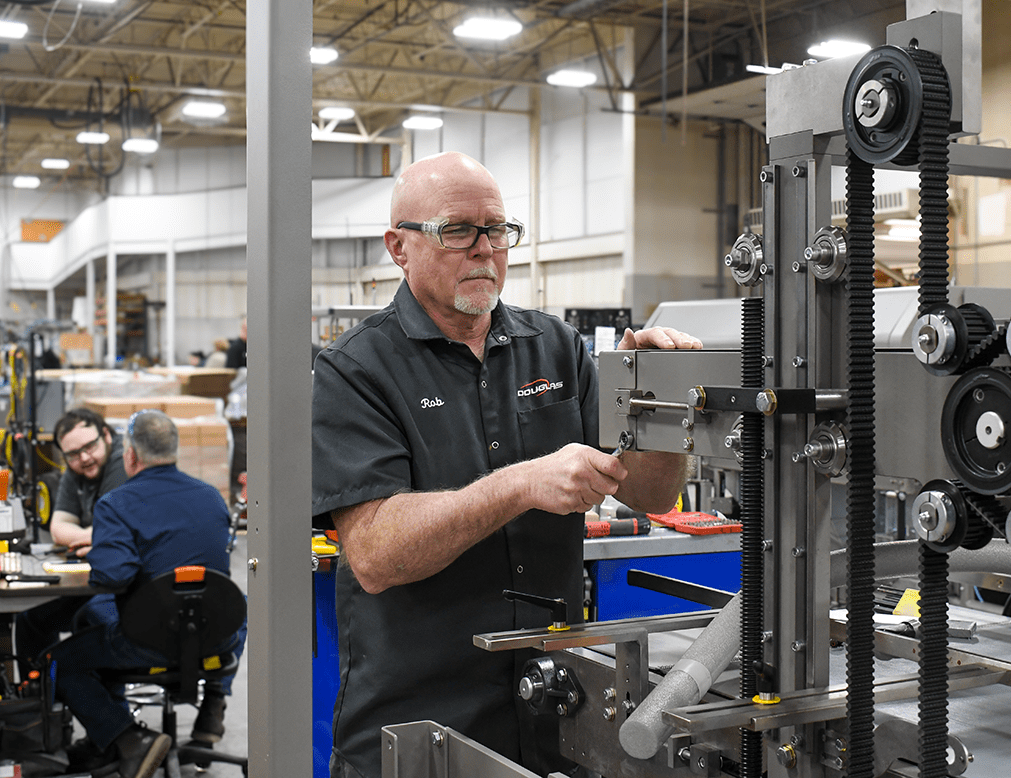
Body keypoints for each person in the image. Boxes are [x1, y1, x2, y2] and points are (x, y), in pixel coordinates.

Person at [311, 151, 701, 778]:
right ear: (398, 247)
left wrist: (653, 399)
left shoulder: (556, 347)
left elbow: (651, 495)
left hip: (556, 705)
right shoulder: (355, 370)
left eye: (497, 230)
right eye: (456, 230)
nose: (484, 249)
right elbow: (378, 554)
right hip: (423, 719)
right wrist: (522, 483)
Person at [38, 411, 244, 778]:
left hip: (149, 641)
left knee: (59, 661)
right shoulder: (212, 497)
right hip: (215, 638)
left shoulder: (116, 505)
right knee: (238, 607)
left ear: (129, 454)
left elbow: (113, 577)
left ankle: (131, 739)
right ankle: (211, 703)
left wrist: (104, 546)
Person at [51, 408, 129, 556]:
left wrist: (96, 537)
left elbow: (117, 528)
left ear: (106, 435)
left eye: (90, 446)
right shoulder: (76, 468)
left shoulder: (125, 460)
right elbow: (58, 528)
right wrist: (93, 537)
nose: (84, 458)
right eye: (73, 453)